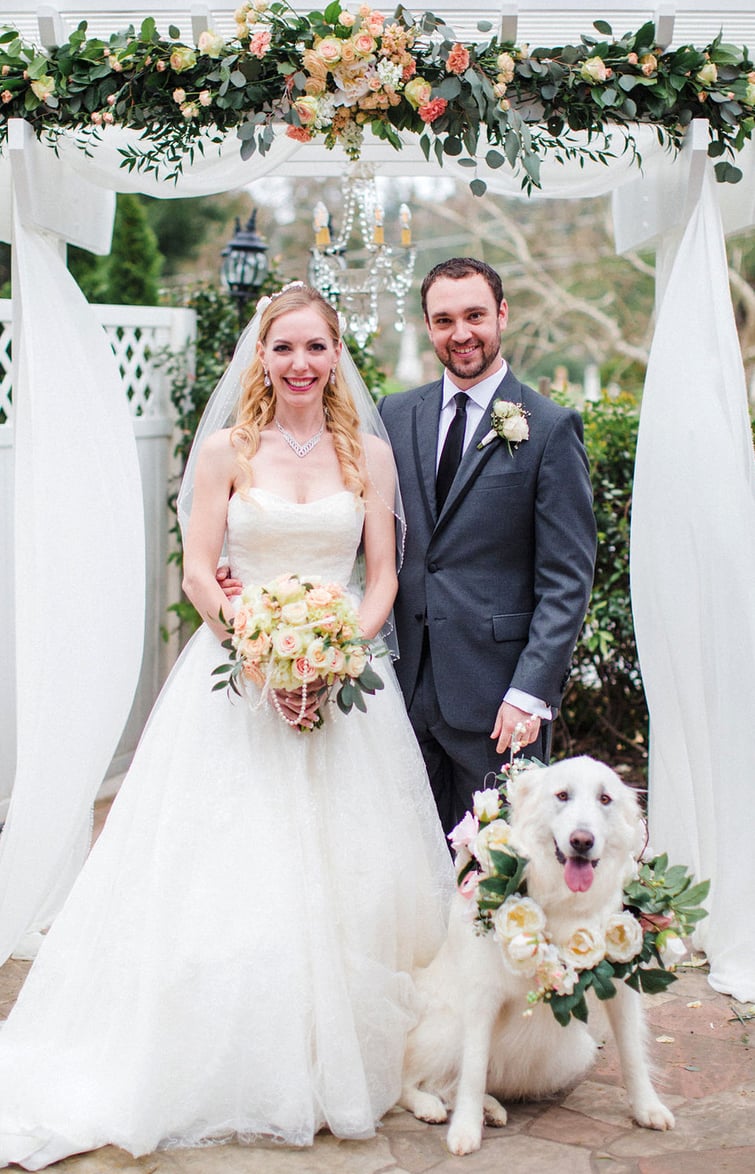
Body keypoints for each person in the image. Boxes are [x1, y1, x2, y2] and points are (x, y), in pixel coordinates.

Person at [0, 284, 453, 1170]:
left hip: (343, 689)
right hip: (233, 684)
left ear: (334, 355)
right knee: (227, 871)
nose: (298, 365)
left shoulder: (368, 454)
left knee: (352, 878)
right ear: (261, 356)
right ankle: (231, 1045)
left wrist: (330, 660)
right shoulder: (223, 452)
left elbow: (384, 580)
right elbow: (203, 572)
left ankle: (346, 1052)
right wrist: (259, 651)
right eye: (282, 348)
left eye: (314, 348)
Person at [378, 258, 597, 835]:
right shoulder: (394, 414)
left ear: (502, 314)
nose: (461, 333)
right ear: (428, 327)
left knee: (497, 870)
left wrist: (530, 692)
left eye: (475, 315)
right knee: (408, 861)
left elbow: (567, 579)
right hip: (402, 690)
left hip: (500, 701)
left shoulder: (549, 427)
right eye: (444, 319)